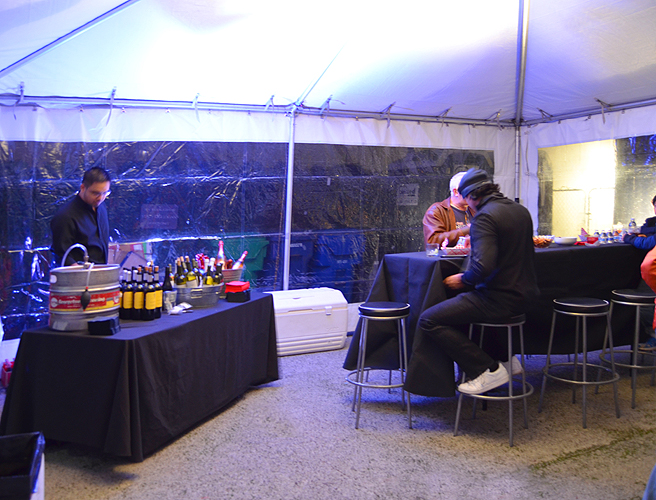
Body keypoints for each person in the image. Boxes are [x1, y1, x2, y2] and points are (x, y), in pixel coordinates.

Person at [417, 168, 539, 395]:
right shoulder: (520, 211)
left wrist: (463, 279)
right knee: (463, 307)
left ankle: (488, 369)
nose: (468, 206)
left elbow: (483, 268)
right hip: (527, 295)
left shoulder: (484, 217)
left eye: (467, 200)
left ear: (472, 195)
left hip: (499, 299)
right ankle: (506, 358)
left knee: (430, 319)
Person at [51, 167, 111, 267]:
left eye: (105, 193)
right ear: (83, 188)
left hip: (100, 272)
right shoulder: (65, 216)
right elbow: (62, 255)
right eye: (95, 193)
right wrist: (80, 273)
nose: (100, 198)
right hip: (79, 275)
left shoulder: (101, 207)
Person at [423, 171, 475, 247]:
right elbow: (433, 241)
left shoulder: (475, 209)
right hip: (449, 255)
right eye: (469, 190)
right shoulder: (437, 211)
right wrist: (466, 230)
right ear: (456, 192)